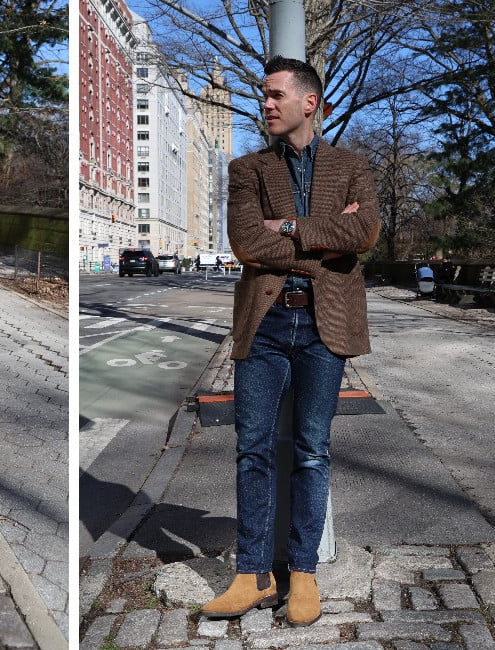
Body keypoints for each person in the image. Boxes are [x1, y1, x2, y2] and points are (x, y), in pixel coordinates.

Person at [200, 56, 379, 627]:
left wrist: (290, 226)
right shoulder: (247, 169)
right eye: (263, 95)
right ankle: (254, 574)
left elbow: (364, 233)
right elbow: (247, 244)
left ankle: (303, 571)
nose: (266, 104)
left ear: (310, 102)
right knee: (252, 447)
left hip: (326, 323)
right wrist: (321, 236)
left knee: (310, 450)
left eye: (275, 94)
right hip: (268, 321)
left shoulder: (352, 168)